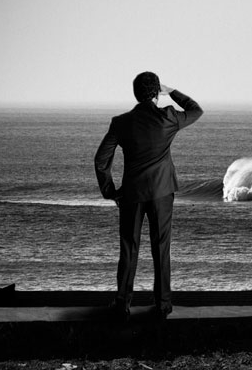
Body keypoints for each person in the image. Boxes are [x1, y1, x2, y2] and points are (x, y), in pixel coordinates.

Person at [94, 71, 203, 321]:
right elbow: (196, 110)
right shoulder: (168, 117)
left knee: (129, 249)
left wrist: (110, 191)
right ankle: (163, 304)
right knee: (161, 248)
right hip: (162, 192)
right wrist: (171, 91)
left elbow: (101, 160)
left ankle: (122, 304)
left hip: (131, 194)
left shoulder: (121, 122)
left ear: (135, 93)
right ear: (156, 93)